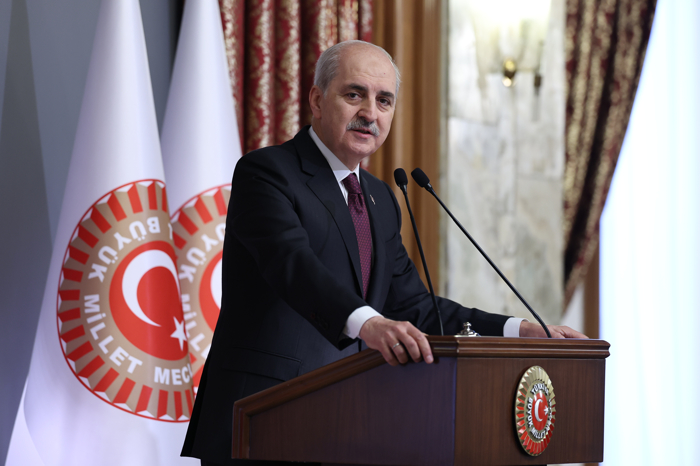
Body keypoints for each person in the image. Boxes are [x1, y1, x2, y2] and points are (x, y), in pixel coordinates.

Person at [182, 40, 585, 465]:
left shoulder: (378, 197)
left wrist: (517, 331)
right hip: (262, 418)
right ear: (317, 100)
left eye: (384, 100)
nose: (370, 113)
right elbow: (293, 266)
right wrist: (369, 324)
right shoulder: (267, 172)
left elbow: (414, 306)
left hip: (348, 423)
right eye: (354, 94)